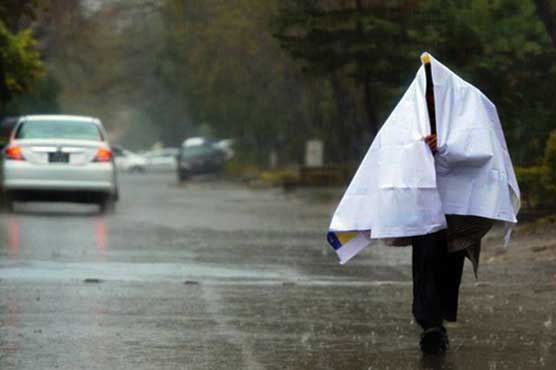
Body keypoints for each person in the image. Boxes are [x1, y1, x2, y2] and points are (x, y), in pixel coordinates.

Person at [327, 53, 520, 356]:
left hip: (458, 207)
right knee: (426, 257)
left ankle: (437, 321)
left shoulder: (470, 103)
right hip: (425, 202)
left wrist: (445, 145)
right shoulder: (412, 112)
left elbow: (483, 148)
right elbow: (393, 149)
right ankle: (430, 324)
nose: (430, 98)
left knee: (449, 262)